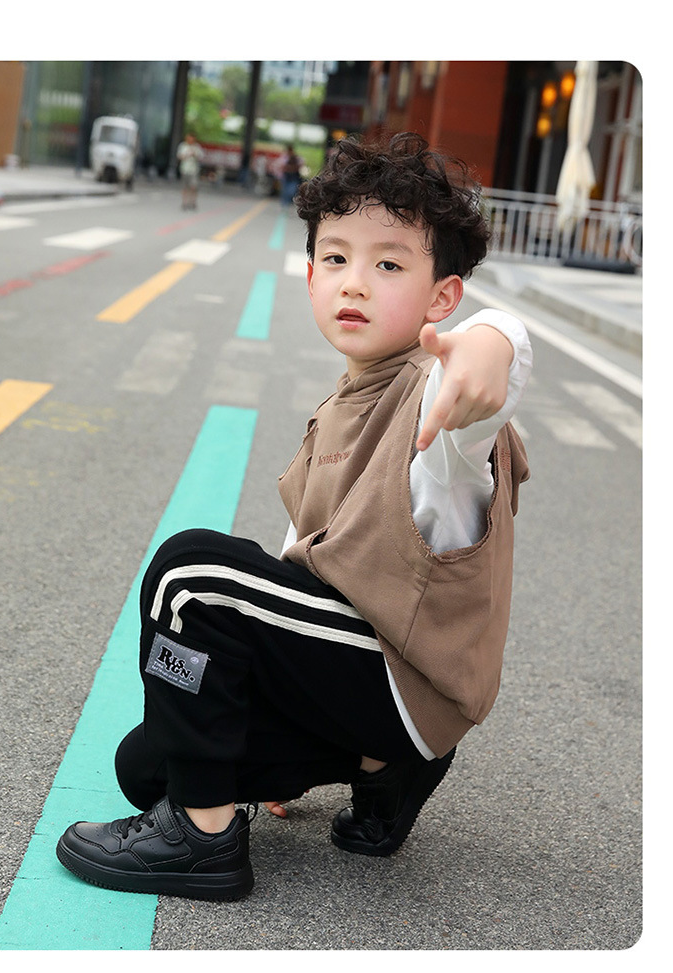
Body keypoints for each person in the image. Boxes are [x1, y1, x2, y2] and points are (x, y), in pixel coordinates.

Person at [56, 132, 532, 902]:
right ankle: (383, 773)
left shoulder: (438, 399)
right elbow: (300, 568)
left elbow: (492, 373)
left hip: (405, 678)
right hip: (364, 679)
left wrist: (492, 342)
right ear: (310, 277)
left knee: (189, 578)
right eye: (336, 259)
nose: (355, 283)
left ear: (443, 298)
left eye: (389, 265)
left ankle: (203, 842)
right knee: (149, 764)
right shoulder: (342, 402)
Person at [176, 132, 204, 210]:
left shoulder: (197, 147)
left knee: (193, 186)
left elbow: (201, 157)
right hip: (185, 169)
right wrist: (187, 155)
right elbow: (179, 156)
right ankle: (184, 202)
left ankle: (192, 202)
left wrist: (194, 154)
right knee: (185, 187)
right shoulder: (183, 146)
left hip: (194, 170)